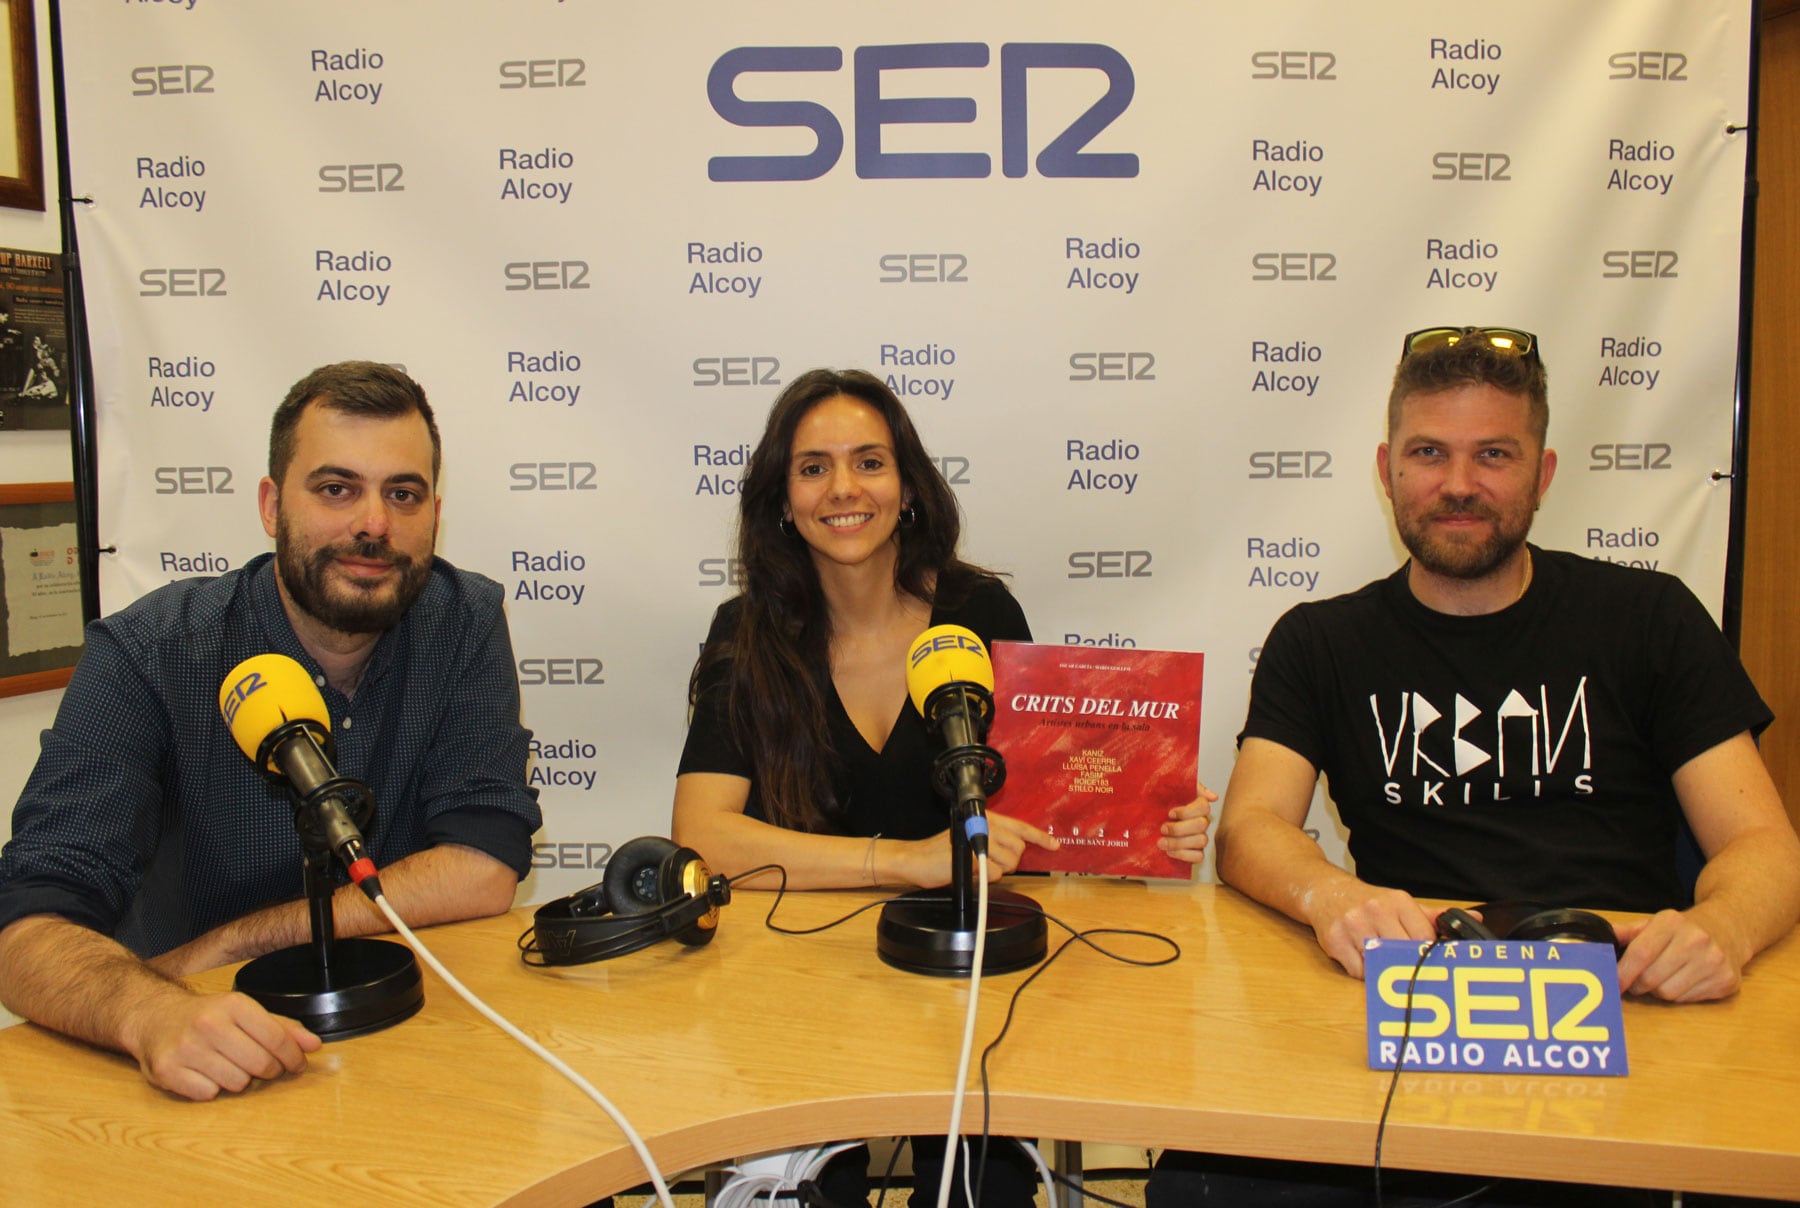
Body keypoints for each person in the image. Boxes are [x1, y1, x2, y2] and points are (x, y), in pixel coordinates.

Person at [1150, 326, 1800, 1208]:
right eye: (1429, 453)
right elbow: (1252, 829)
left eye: (1494, 454)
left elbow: (1765, 843)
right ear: (1386, 470)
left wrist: (1723, 928)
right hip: (1409, 1018)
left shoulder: (1647, 616)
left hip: (1621, 1026)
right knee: (1201, 1185)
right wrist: (1330, 895)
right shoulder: (1321, 640)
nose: (1459, 485)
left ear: (1544, 472)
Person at [674, 368, 1213, 1206]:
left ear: (908, 487)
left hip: (965, 991)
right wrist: (910, 861)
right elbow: (704, 837)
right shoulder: (746, 634)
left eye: (869, 462)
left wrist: (1151, 823)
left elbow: (1052, 811)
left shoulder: (981, 613)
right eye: (813, 467)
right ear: (782, 499)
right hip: (799, 993)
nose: (844, 488)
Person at [0, 360, 543, 1102]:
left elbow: (484, 865)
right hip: (200, 1067)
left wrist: (231, 941)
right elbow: (27, 925)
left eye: (403, 494)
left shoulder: (466, 621)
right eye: (336, 488)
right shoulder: (148, 654)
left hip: (414, 1047)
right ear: (270, 505)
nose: (373, 524)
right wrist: (147, 1008)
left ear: (435, 514)